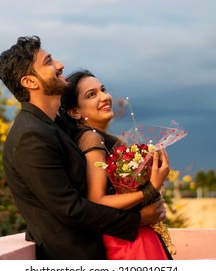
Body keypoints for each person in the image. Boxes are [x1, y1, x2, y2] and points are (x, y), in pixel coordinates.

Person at [0, 35, 167, 260]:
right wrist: (139, 215)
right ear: (29, 82)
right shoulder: (31, 135)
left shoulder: (54, 126)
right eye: (48, 62)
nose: (60, 65)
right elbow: (70, 209)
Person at [59, 69, 173, 259]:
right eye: (92, 95)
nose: (105, 97)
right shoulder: (91, 139)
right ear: (74, 112)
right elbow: (97, 200)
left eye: (103, 89)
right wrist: (150, 189)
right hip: (127, 242)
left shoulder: (105, 139)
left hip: (134, 236)